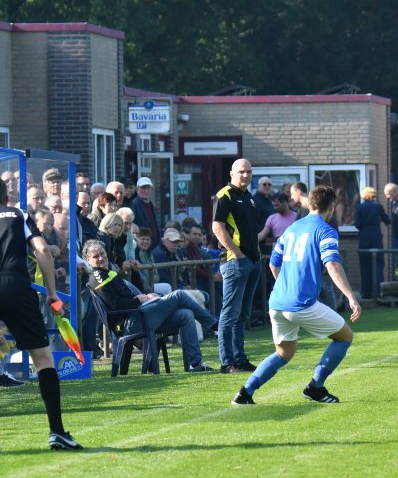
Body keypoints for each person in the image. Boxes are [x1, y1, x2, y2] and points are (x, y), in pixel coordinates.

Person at [231, 185, 362, 405]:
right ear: (331, 206)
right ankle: (316, 387)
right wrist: (350, 296)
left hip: (277, 302)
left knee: (283, 353)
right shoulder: (325, 229)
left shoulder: (292, 228)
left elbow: (274, 263)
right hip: (301, 303)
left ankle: (245, 392)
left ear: (309, 204)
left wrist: (285, 285)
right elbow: (332, 265)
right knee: (345, 337)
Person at [0, 178, 81, 448]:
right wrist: (52, 293)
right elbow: (43, 250)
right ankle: (57, 431)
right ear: (5, 197)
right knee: (43, 359)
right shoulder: (17, 214)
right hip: (15, 286)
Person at [84, 239, 218, 373]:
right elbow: (115, 305)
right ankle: (214, 325)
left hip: (140, 316)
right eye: (96, 256)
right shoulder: (97, 276)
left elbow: (127, 297)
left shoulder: (109, 272)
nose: (101, 258)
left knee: (186, 314)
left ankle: (195, 364)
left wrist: (147, 296)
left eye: (102, 253)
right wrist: (140, 300)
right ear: (87, 260)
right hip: (130, 323)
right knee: (178, 295)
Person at [212, 158, 261, 374]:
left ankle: (240, 359)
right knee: (229, 313)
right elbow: (217, 228)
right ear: (232, 173)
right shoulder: (225, 195)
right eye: (241, 171)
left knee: (243, 314)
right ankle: (227, 362)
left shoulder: (248, 197)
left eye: (248, 172)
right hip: (235, 262)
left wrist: (254, 256)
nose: (245, 175)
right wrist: (237, 253)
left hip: (252, 260)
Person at [352, 186, 389, 299]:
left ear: (364, 195)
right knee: (378, 264)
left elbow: (357, 224)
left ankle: (366, 293)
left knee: (365, 265)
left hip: (364, 238)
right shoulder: (378, 206)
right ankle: (378, 292)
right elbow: (387, 220)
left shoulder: (360, 207)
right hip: (376, 238)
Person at [130, 176, 162, 250]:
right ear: (137, 189)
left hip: (153, 247)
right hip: (142, 247)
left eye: (148, 188)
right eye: (143, 188)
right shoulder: (134, 204)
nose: (146, 191)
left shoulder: (150, 204)